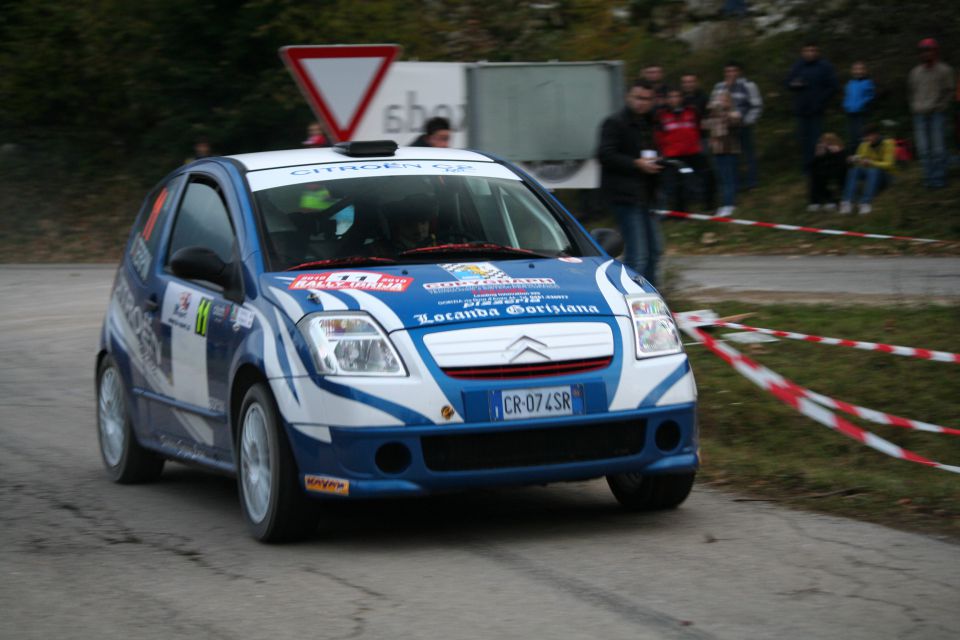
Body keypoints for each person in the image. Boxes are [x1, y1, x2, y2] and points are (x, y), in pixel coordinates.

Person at [597, 81, 664, 285]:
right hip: (625, 196)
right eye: (637, 98)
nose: (641, 103)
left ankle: (653, 294)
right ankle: (632, 295)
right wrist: (636, 164)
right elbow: (605, 155)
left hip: (648, 195)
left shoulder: (650, 124)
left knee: (655, 251)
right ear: (628, 97)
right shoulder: (615, 122)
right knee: (638, 255)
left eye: (646, 99)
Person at [908, 38, 955, 189]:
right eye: (923, 51)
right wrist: (914, 106)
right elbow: (911, 91)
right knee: (924, 149)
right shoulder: (915, 72)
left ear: (935, 52)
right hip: (919, 115)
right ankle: (928, 179)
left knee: (938, 148)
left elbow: (949, 91)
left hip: (937, 114)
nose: (926, 53)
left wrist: (941, 106)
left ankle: (939, 180)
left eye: (929, 50)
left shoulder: (945, 70)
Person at [655, 88, 712, 213]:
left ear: (681, 98)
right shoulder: (661, 115)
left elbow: (701, 128)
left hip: (693, 152)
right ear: (667, 99)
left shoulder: (692, 111)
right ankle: (680, 212)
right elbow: (658, 135)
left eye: (677, 96)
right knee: (676, 184)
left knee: (707, 175)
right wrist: (661, 152)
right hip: (673, 155)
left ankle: (710, 207)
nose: (674, 99)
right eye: (671, 96)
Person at [785, 43, 838, 172]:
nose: (810, 53)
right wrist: (795, 84)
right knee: (803, 139)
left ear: (818, 51)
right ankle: (808, 168)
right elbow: (788, 82)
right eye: (807, 50)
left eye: (813, 50)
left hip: (817, 110)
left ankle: (820, 166)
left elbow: (833, 86)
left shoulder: (825, 66)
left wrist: (821, 100)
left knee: (818, 140)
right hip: (801, 110)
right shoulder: (798, 65)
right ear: (802, 52)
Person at [711, 61, 763, 189]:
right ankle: (736, 183)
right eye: (728, 71)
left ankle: (752, 182)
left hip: (743, 126)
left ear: (739, 72)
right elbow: (713, 106)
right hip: (726, 128)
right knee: (732, 157)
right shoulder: (719, 87)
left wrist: (748, 121)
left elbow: (756, 105)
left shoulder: (748, 85)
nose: (730, 74)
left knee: (748, 154)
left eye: (733, 71)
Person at [840, 124, 895, 215]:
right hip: (868, 171)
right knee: (854, 170)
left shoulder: (888, 143)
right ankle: (847, 202)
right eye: (865, 137)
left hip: (886, 175)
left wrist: (871, 162)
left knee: (874, 170)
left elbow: (889, 164)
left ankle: (865, 203)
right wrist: (854, 159)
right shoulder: (864, 144)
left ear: (876, 134)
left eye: (869, 136)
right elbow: (860, 158)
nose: (867, 139)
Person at [703, 90, 741, 217]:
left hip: (730, 149)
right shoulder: (713, 115)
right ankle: (725, 203)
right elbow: (705, 126)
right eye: (719, 99)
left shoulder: (734, 113)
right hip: (717, 150)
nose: (720, 102)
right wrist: (712, 112)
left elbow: (733, 123)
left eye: (724, 100)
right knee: (721, 178)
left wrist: (722, 112)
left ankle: (729, 204)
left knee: (728, 178)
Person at [807, 133, 847, 211]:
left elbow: (842, 164)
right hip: (825, 172)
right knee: (815, 174)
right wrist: (818, 156)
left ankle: (831, 200)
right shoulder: (823, 150)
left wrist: (837, 153)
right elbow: (811, 166)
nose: (824, 144)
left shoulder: (840, 149)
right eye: (823, 142)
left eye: (826, 142)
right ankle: (815, 201)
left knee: (821, 175)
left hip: (839, 171)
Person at [842, 62, 875, 153]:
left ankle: (863, 156)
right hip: (850, 113)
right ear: (852, 71)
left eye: (861, 69)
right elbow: (847, 96)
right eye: (856, 69)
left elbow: (870, 96)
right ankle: (854, 158)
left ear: (865, 71)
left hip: (861, 113)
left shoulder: (868, 82)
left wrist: (862, 104)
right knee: (851, 136)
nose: (858, 71)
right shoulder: (850, 83)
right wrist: (845, 105)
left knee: (861, 136)